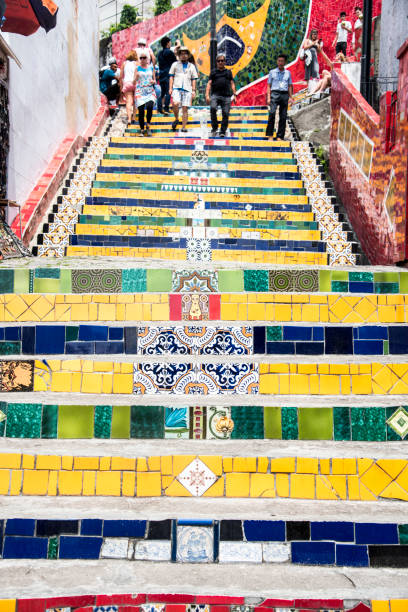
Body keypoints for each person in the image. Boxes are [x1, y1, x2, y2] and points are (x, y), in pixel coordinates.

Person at [205, 53, 236, 137]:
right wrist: (207, 95)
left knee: (225, 113)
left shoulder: (228, 72)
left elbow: (232, 83)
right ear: (216, 62)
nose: (220, 62)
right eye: (218, 61)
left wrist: (234, 94)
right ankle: (214, 127)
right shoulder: (213, 72)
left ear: (225, 62)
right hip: (215, 95)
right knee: (213, 108)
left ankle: (223, 131)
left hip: (226, 96)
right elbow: (209, 84)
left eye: (222, 61)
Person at [265, 53, 294, 141]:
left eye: (282, 61)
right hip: (275, 94)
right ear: (277, 62)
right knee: (272, 113)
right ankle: (270, 135)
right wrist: (269, 97)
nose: (280, 63)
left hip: (284, 94)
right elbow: (269, 86)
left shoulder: (288, 73)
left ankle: (280, 136)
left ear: (285, 62)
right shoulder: (272, 72)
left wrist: (291, 97)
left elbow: (289, 86)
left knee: (283, 116)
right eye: (279, 61)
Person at [169, 47, 198, 132]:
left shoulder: (191, 66)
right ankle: (177, 118)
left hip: (187, 89)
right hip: (176, 87)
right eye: (181, 53)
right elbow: (171, 77)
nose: (183, 55)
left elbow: (194, 79)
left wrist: (193, 90)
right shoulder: (175, 64)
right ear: (179, 55)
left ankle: (184, 127)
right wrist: (170, 88)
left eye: (185, 53)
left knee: (185, 108)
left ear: (188, 55)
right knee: (175, 103)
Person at [134, 52, 156, 136]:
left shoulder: (151, 68)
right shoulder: (137, 68)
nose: (142, 59)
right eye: (141, 58)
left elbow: (155, 80)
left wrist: (153, 81)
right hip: (140, 91)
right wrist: (136, 77)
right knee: (141, 111)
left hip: (150, 91)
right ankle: (142, 130)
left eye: (144, 57)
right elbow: (133, 81)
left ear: (148, 59)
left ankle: (148, 125)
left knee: (150, 106)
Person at [158, 36, 177, 116]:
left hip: (161, 75)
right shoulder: (169, 52)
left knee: (162, 93)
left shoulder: (159, 53)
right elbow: (175, 62)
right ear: (168, 43)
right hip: (168, 75)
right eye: (170, 42)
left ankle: (159, 108)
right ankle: (166, 108)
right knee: (169, 92)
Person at [119, 51, 138, 124]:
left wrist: (121, 88)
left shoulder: (124, 63)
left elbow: (120, 77)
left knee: (128, 102)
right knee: (135, 101)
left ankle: (129, 119)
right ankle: (134, 117)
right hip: (135, 83)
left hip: (127, 83)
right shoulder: (136, 63)